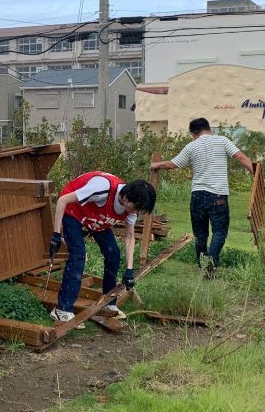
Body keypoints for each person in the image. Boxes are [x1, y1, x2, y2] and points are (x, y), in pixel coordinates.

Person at [47, 172, 157, 323]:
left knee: (113, 254)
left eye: (140, 210)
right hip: (74, 211)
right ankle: (62, 310)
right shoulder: (101, 188)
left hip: (97, 218)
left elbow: (130, 237)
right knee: (78, 255)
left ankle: (108, 304)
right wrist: (56, 234)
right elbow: (62, 200)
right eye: (136, 208)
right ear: (125, 198)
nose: (136, 212)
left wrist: (129, 271)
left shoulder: (131, 209)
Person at [151, 117, 254, 276]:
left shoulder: (191, 146)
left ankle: (202, 266)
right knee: (219, 231)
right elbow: (241, 157)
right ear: (209, 129)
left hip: (197, 195)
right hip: (218, 195)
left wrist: (157, 165)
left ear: (193, 133)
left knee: (200, 234)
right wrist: (257, 175)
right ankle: (210, 265)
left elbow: (173, 164)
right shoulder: (223, 141)